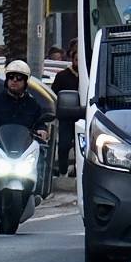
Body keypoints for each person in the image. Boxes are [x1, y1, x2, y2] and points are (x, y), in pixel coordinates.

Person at [0, 60, 48, 233]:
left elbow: (40, 120)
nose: (14, 80)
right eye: (11, 77)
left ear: (25, 81)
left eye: (19, 78)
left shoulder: (32, 104)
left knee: (40, 162)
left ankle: (36, 192)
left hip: (23, 150)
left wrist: (42, 129)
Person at [51, 42, 81, 176]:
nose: (79, 62)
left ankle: (77, 170)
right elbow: (54, 94)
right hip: (66, 117)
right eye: (76, 59)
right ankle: (62, 170)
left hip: (82, 116)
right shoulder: (62, 76)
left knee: (80, 146)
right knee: (63, 146)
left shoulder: (88, 75)